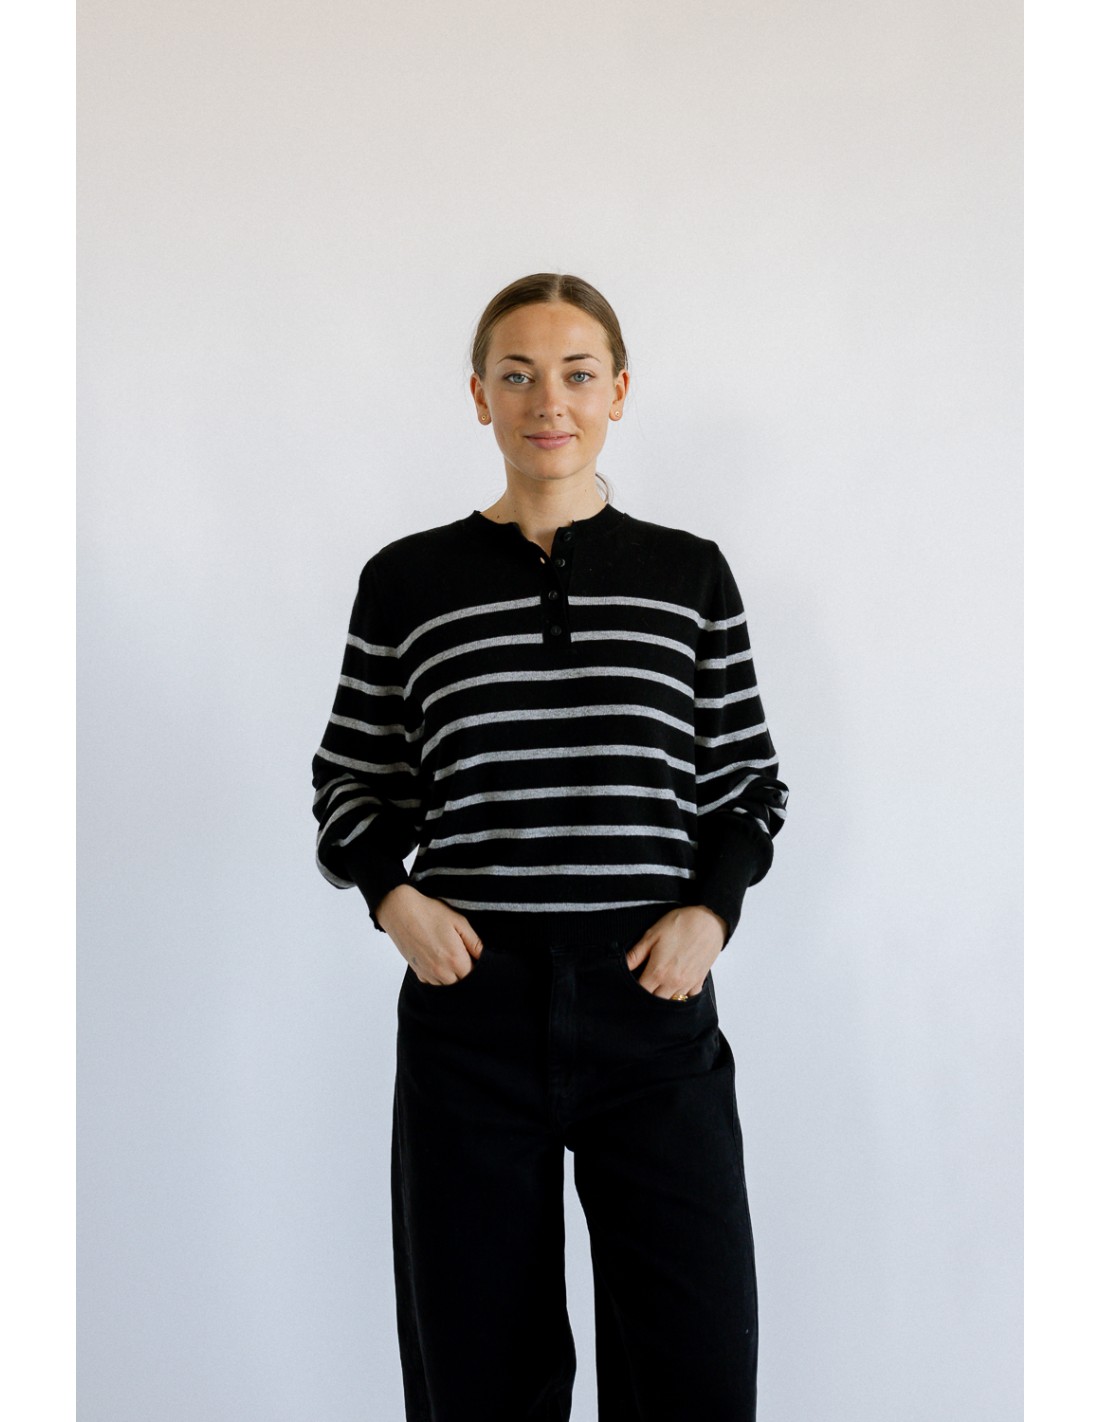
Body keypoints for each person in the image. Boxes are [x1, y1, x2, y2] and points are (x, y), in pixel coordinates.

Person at [310, 272, 789, 1422]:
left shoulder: (686, 576)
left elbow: (743, 787)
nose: (547, 401)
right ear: (479, 395)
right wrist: (393, 898)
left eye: (576, 374)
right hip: (471, 1015)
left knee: (692, 1370)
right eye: (516, 374)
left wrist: (710, 911)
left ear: (617, 391)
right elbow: (350, 782)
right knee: (478, 1378)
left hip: (651, 1012)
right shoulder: (406, 583)